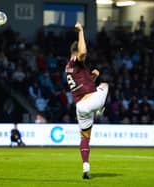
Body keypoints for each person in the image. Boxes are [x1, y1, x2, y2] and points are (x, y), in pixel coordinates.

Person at [65, 22, 109, 179]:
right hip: (91, 102)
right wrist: (81, 31)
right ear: (75, 52)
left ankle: (85, 166)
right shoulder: (76, 59)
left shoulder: (68, 67)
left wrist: (92, 77)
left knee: (85, 138)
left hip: (80, 107)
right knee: (105, 85)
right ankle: (99, 110)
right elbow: (83, 52)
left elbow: (81, 85)